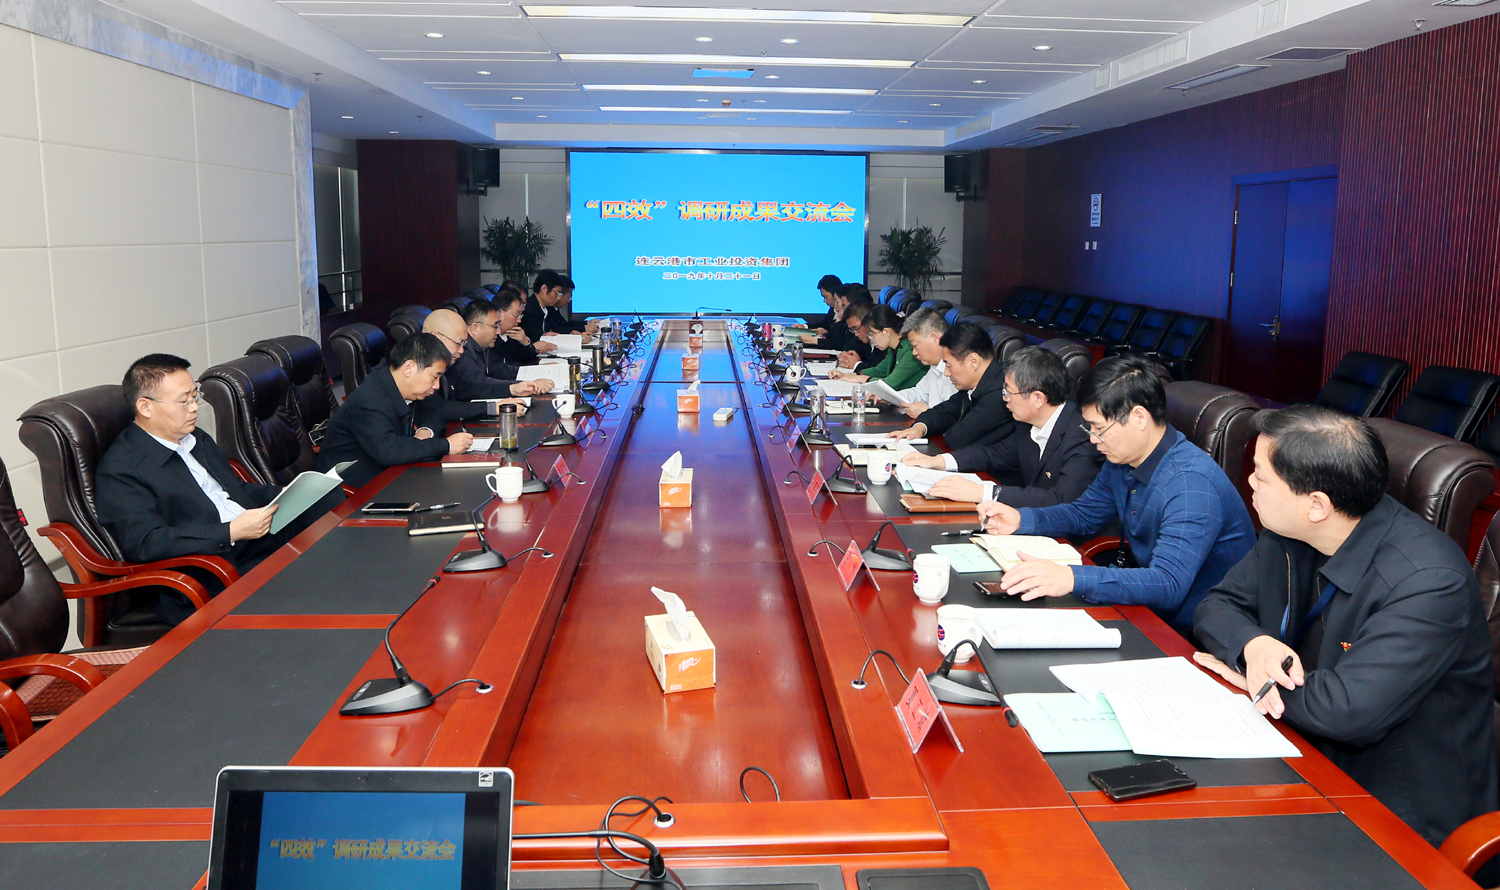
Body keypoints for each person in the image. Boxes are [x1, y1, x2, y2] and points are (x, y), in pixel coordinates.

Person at [1193, 406, 1497, 848]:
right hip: (1297, 753)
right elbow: (1217, 605)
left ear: (1317, 505)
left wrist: (1256, 684)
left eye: (1260, 475)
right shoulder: (1288, 532)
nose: (1250, 483)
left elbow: (1348, 711)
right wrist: (1254, 645)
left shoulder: (1428, 580)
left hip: (1397, 813)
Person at [976, 354, 1255, 635]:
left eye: (1099, 428)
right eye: (1089, 427)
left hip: (1196, 633)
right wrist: (1022, 519)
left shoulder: (1191, 484)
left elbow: (1168, 584)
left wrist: (1071, 578)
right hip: (1145, 610)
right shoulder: (1123, 459)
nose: (1092, 439)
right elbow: (1084, 513)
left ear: (1138, 417)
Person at [96, 354, 341, 623]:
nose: (194, 408)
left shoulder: (194, 437)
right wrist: (230, 531)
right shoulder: (121, 469)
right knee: (317, 579)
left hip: (253, 539)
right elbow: (146, 542)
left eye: (195, 396)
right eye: (183, 401)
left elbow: (235, 491)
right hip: (214, 566)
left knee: (327, 498)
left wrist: (291, 494)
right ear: (145, 407)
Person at [901, 346, 1102, 506]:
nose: (1004, 398)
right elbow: (994, 455)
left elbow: (1060, 499)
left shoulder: (1084, 433)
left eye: (1009, 391)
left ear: (1038, 398)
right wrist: (938, 461)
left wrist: (983, 492)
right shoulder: (1027, 423)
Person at [317, 333, 474, 489]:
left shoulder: (409, 388)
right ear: (409, 368)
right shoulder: (369, 400)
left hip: (393, 473)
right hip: (352, 489)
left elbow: (435, 413)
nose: (437, 386)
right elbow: (388, 451)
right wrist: (446, 445)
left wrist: (425, 431)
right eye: (434, 377)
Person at [886, 322, 1017, 452]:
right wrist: (918, 428)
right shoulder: (977, 383)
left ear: (973, 361)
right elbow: (943, 412)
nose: (946, 373)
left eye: (949, 365)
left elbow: (957, 438)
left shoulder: (1001, 392)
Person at [830, 304, 925, 390]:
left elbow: (890, 384)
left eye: (872, 334)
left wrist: (860, 378)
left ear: (886, 332)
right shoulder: (894, 347)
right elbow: (879, 371)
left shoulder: (910, 350)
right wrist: (847, 376)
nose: (871, 339)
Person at [886, 308, 958, 419]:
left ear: (935, 338)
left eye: (915, 345)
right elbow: (919, 393)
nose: (914, 352)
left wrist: (929, 413)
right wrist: (888, 396)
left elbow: (960, 419)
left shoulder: (958, 370)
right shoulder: (934, 366)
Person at [523, 269, 594, 345]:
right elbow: (536, 340)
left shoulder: (545, 308)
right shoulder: (528, 309)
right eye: (557, 293)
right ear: (544, 289)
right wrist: (574, 340)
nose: (558, 298)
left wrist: (571, 336)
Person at [492, 282, 541, 367]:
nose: (519, 320)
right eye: (516, 315)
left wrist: (525, 343)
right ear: (500, 313)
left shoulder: (511, 334)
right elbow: (502, 369)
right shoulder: (491, 339)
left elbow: (523, 361)